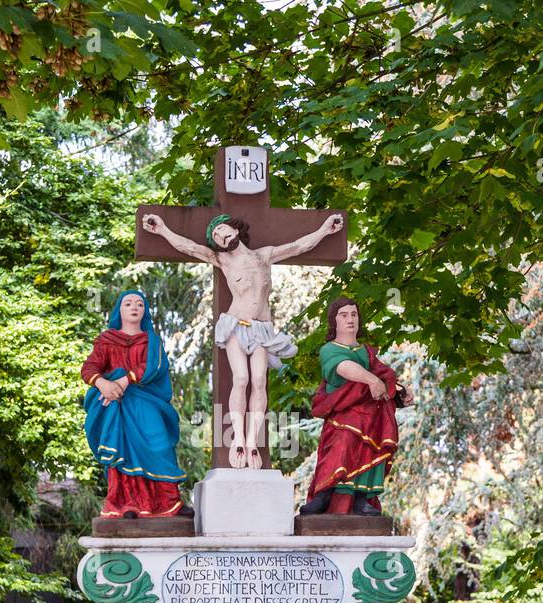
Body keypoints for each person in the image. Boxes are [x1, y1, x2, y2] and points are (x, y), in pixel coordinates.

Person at [142, 210, 344, 469]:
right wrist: (162, 230)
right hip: (236, 325)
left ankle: (251, 443)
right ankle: (237, 437)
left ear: (235, 229)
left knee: (259, 380)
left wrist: (325, 229)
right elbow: (190, 248)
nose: (221, 235)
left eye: (223, 229)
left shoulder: (264, 255)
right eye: (216, 235)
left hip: (261, 329)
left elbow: (298, 246)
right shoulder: (223, 260)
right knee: (241, 378)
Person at [81, 290, 193, 519]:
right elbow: (89, 368)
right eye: (128, 303)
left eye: (140, 304)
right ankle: (126, 504)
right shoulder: (106, 340)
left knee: (159, 445)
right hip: (117, 406)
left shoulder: (151, 341)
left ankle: (170, 503)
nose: (134, 307)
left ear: (145, 311)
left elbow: (155, 368)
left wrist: (124, 379)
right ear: (119, 310)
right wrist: (103, 384)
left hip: (146, 402)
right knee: (123, 450)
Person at [300, 296, 412, 516]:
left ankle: (362, 499)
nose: (350, 319)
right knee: (341, 448)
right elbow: (344, 368)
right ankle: (324, 495)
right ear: (334, 321)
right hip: (344, 414)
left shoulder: (366, 352)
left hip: (372, 417)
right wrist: (371, 380)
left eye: (354, 314)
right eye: (344, 315)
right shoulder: (329, 350)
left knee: (370, 452)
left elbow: (385, 376)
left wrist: (401, 392)